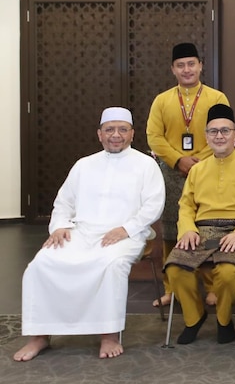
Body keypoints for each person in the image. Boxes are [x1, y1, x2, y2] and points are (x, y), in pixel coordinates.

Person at [14, 107, 165, 361]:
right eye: (109, 130)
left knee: (110, 265)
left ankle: (109, 333)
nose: (115, 135)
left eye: (122, 130)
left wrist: (125, 229)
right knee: (41, 263)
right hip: (81, 232)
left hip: (127, 234)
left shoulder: (146, 165)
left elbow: (154, 205)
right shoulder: (83, 165)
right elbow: (63, 203)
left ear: (132, 134)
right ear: (99, 134)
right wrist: (59, 226)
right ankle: (40, 336)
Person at [164, 104, 235, 345]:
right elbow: (186, 205)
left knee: (227, 272)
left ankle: (224, 319)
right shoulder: (197, 169)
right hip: (202, 233)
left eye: (225, 131)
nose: (219, 136)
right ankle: (194, 317)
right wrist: (188, 229)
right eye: (213, 132)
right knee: (175, 268)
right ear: (206, 136)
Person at [147, 42, 228, 309]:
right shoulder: (162, 100)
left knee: (207, 228)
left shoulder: (216, 98)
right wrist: (178, 159)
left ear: (200, 65)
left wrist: (198, 162)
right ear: (173, 69)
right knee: (171, 230)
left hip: (208, 171)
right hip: (172, 173)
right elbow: (154, 137)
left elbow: (222, 131)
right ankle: (171, 287)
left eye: (191, 63)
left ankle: (213, 287)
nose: (187, 69)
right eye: (180, 65)